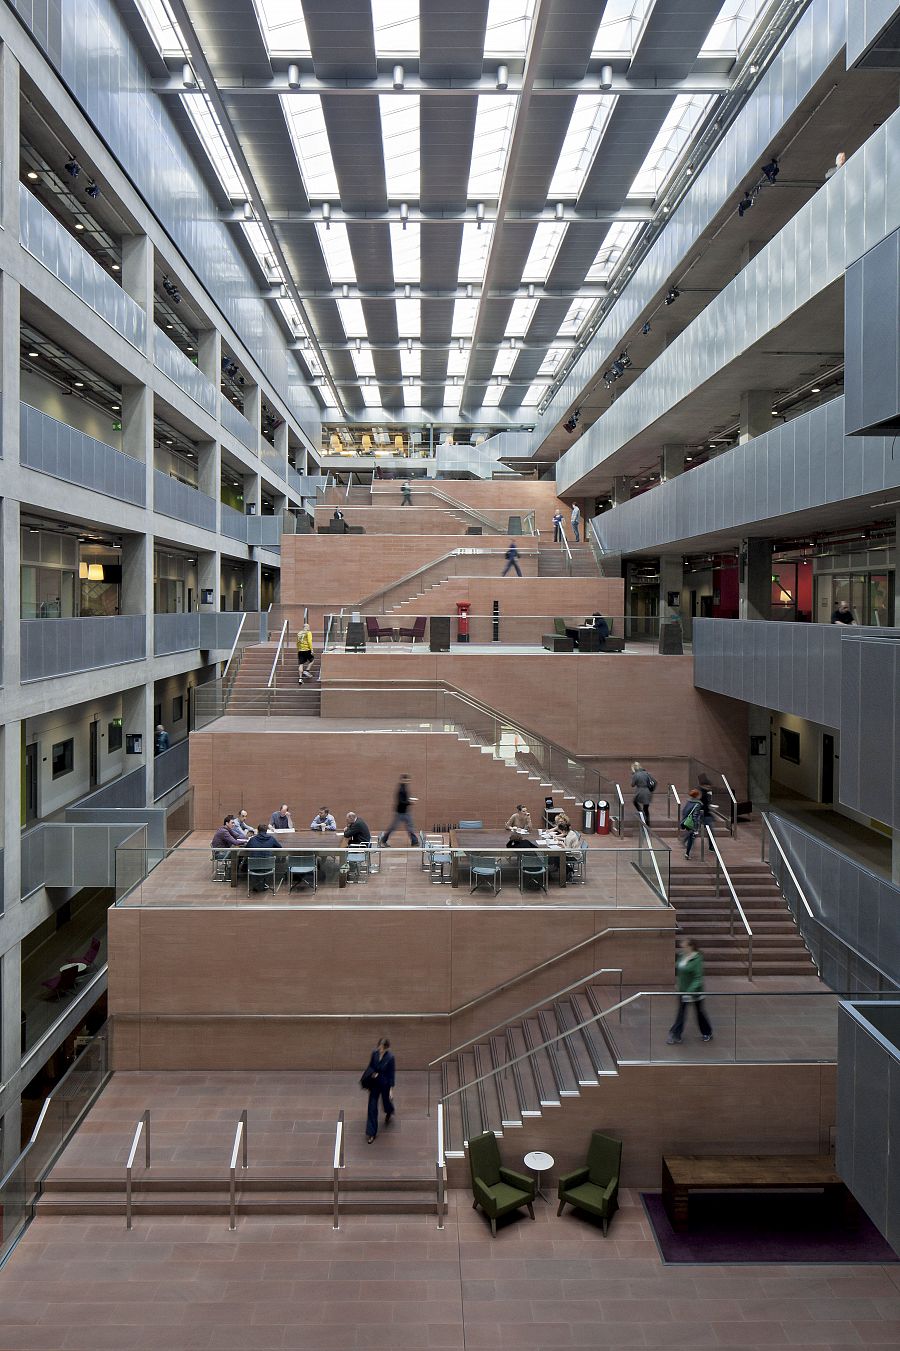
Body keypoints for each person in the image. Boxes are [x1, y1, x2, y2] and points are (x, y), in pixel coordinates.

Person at [667, 939, 713, 1044]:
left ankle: (707, 1032)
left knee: (699, 1013)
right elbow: (679, 969)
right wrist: (678, 983)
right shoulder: (682, 955)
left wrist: (689, 991)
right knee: (681, 1013)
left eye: (684, 945)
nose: (682, 946)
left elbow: (698, 978)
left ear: (690, 946)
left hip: (694, 992)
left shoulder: (697, 959)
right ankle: (675, 1035)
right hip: (682, 991)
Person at [363, 1037, 396, 1142]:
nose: (380, 1049)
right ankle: (371, 1133)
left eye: (382, 1048)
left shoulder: (390, 1058)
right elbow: (371, 1066)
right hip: (374, 1084)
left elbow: (391, 1074)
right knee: (372, 1107)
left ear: (386, 1048)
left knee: (386, 1102)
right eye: (379, 1047)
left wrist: (391, 1089)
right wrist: (371, 1078)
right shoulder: (374, 1054)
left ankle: (389, 1111)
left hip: (385, 1084)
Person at [243, 822, 282, 892]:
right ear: (266, 831)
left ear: (258, 831)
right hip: (268, 866)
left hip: (254, 866)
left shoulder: (252, 840)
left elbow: (246, 848)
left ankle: (256, 883)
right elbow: (280, 847)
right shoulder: (271, 839)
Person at [381, 774, 418, 845]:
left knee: (410, 827)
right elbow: (401, 801)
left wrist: (409, 801)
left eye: (408, 780)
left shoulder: (404, 787)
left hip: (405, 811)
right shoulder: (401, 789)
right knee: (393, 827)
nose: (408, 782)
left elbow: (403, 799)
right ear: (403, 780)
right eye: (407, 780)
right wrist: (410, 802)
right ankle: (383, 840)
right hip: (400, 812)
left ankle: (414, 841)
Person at [344, 811, 372, 881]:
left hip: (361, 845)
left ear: (351, 818)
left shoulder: (357, 824)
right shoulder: (358, 820)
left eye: (347, 819)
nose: (346, 821)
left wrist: (346, 829)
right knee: (348, 843)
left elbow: (347, 835)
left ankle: (348, 870)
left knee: (344, 849)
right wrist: (349, 825)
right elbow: (351, 830)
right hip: (363, 842)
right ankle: (352, 867)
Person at [554, 814, 581, 880]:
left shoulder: (569, 837)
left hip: (574, 856)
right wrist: (561, 840)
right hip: (575, 853)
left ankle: (569, 870)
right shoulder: (570, 833)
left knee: (556, 858)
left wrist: (562, 845)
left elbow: (567, 851)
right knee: (556, 857)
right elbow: (566, 841)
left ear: (563, 830)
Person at [679, 790, 704, 859]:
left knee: (691, 836)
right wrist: (695, 828)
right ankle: (687, 853)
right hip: (692, 823)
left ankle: (687, 851)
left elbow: (684, 811)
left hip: (687, 821)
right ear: (697, 795)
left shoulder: (689, 802)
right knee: (691, 837)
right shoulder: (698, 804)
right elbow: (695, 816)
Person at [630, 761, 656, 827]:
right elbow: (654, 781)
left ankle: (641, 813)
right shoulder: (646, 773)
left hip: (640, 791)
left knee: (635, 801)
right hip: (647, 792)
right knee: (646, 807)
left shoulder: (636, 774)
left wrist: (633, 777)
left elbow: (632, 784)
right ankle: (647, 823)